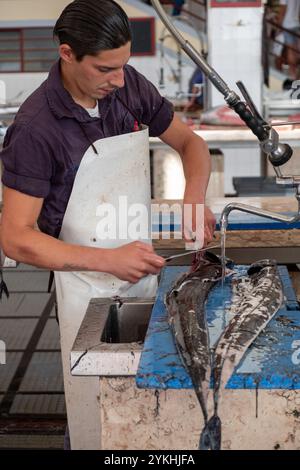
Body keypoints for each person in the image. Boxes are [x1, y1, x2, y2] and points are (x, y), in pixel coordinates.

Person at [0, 0, 215, 449]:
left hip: (140, 269)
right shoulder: (35, 129)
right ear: (66, 54)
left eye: (123, 66)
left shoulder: (127, 85)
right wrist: (107, 260)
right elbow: (16, 238)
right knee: (93, 418)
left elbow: (189, 142)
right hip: (84, 286)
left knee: (147, 409)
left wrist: (193, 197)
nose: (118, 80)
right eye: (104, 69)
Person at [277, 0, 300, 84]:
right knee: (296, 52)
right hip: (296, 23)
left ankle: (293, 75)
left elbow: (283, 9)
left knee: (290, 50)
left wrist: (278, 26)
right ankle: (296, 76)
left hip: (287, 25)